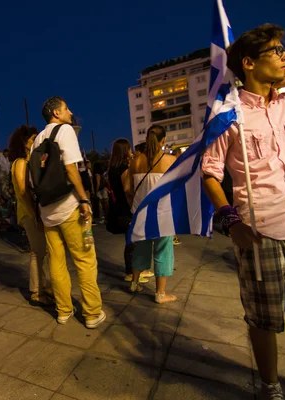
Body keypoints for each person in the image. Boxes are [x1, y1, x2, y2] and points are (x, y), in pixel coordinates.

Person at [202, 24, 285, 400]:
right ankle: (269, 384)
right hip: (260, 230)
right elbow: (210, 174)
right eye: (277, 51)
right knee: (263, 319)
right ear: (248, 63)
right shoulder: (228, 115)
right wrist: (231, 222)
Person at [31, 96, 105, 329]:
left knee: (57, 261)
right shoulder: (65, 131)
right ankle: (92, 313)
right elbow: (71, 168)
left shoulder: (37, 140)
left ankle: (63, 310)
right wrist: (84, 199)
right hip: (69, 206)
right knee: (85, 259)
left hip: (47, 210)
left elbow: (31, 178)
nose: (70, 112)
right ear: (56, 113)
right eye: (66, 108)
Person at [128, 126, 177, 300]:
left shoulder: (135, 162)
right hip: (162, 213)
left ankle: (134, 283)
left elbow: (128, 188)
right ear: (163, 141)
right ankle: (160, 293)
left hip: (140, 212)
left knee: (141, 247)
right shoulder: (171, 160)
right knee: (163, 250)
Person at [8, 125, 53, 305]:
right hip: (28, 211)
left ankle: (43, 285)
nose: (36, 141)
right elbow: (22, 190)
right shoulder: (20, 162)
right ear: (24, 143)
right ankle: (36, 292)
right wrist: (34, 214)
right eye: (32, 139)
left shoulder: (31, 160)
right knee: (37, 251)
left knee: (43, 250)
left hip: (34, 210)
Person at [107, 138, 154, 284]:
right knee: (132, 241)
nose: (131, 151)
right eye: (128, 149)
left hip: (118, 206)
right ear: (124, 151)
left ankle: (135, 270)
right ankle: (130, 272)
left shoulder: (112, 169)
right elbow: (127, 190)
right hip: (126, 208)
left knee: (131, 240)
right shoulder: (123, 169)